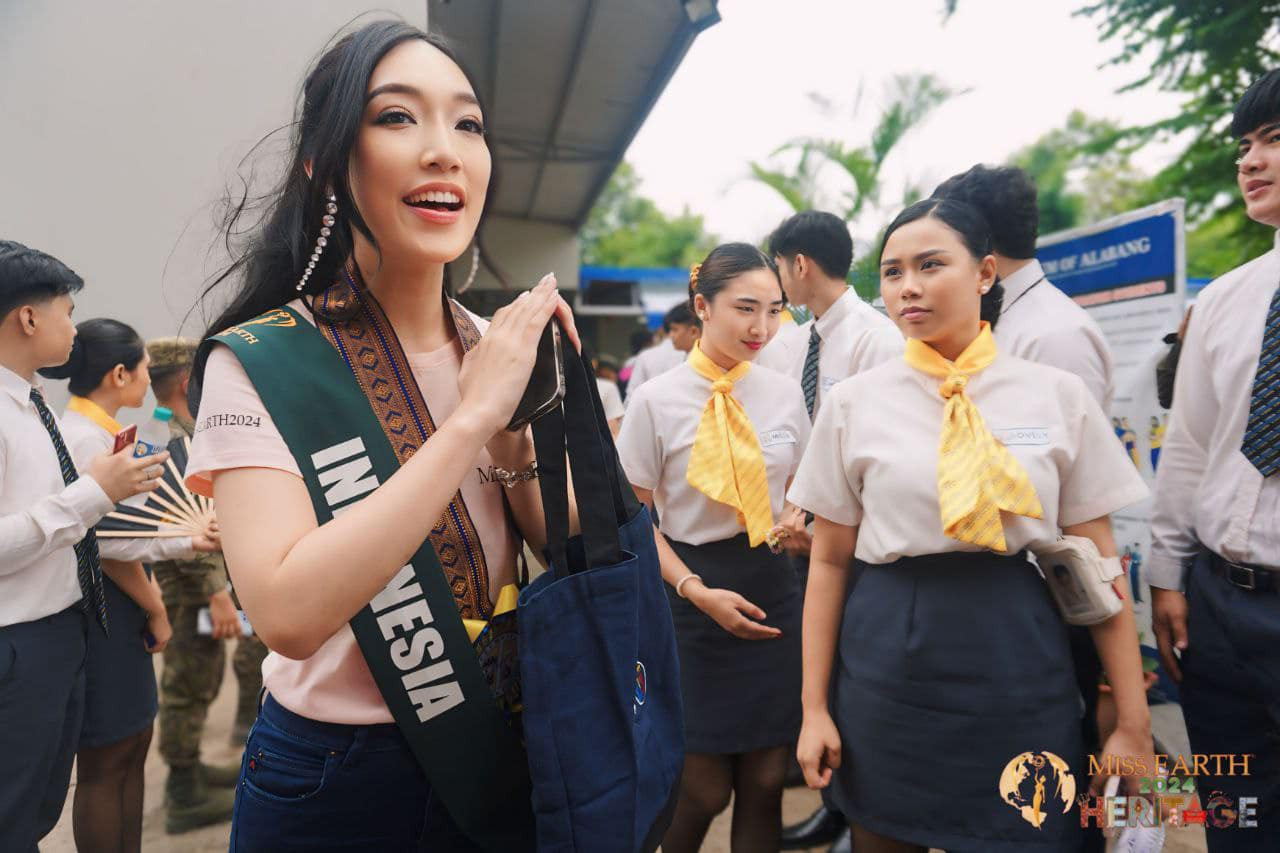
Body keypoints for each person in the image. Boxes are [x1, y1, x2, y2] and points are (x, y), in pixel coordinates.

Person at [185, 21, 580, 849]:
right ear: (325, 164)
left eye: (467, 124)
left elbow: (569, 544)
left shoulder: (493, 343)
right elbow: (288, 612)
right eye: (398, 117)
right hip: (337, 776)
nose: (445, 151)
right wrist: (469, 421)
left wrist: (519, 429)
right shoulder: (264, 359)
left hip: (501, 745)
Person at [789, 198, 1154, 852]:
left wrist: (1132, 722)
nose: (908, 286)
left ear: (986, 273)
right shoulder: (853, 403)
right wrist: (814, 707)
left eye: (931, 264)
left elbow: (1102, 566)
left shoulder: (1054, 395)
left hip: (1019, 653)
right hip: (886, 659)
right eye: (893, 271)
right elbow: (829, 562)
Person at [617, 243, 811, 853]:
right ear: (702, 306)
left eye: (775, 311)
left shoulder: (782, 393)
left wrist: (797, 520)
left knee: (764, 782)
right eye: (745, 309)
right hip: (688, 593)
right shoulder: (655, 399)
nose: (761, 328)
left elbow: (801, 491)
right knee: (700, 790)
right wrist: (694, 591)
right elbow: (634, 520)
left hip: (773, 586)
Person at [1148, 68, 1280, 852]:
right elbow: (1191, 443)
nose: (1251, 161)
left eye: (1275, 140)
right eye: (1245, 144)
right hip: (1220, 607)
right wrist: (1167, 575)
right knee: (1236, 815)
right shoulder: (1227, 298)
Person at [0, 242, 165, 851]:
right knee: (12, 815)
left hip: (58, 631)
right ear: (28, 317)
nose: (74, 326)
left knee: (38, 810)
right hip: (18, 643)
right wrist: (93, 493)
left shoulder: (30, 404)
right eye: (66, 310)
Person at [43, 318, 220, 853]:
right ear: (119, 374)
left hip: (121, 608)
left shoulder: (103, 432)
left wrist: (183, 543)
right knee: (107, 759)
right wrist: (162, 593)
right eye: (142, 368)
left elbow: (128, 530)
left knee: (131, 746)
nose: (149, 379)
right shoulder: (79, 438)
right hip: (101, 611)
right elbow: (101, 540)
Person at [756, 210, 903, 852]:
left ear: (799, 264)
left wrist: (817, 516)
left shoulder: (875, 337)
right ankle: (832, 805)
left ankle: (856, 814)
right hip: (803, 528)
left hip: (847, 536)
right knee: (818, 671)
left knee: (851, 674)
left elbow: (871, 449)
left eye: (779, 268)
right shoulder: (804, 338)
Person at [146, 336, 266, 834]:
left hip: (190, 586)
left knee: (199, 673)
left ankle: (190, 769)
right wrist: (218, 594)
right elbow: (186, 523)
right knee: (189, 679)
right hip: (196, 589)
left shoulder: (154, 427)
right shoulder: (177, 438)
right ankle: (183, 792)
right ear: (184, 380)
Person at [932, 164, 1114, 410]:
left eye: (939, 242)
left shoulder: (1054, 337)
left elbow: (1064, 443)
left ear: (978, 242)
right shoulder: (990, 318)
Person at [625, 302, 701, 398]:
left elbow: (631, 396)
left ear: (694, 331)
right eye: (671, 330)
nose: (671, 335)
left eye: (675, 329)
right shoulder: (694, 357)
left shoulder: (644, 357)